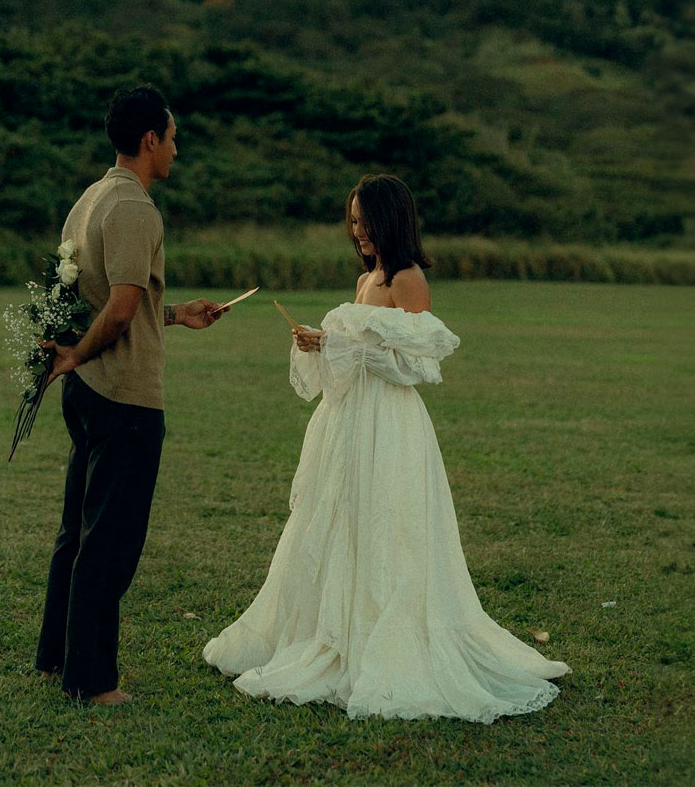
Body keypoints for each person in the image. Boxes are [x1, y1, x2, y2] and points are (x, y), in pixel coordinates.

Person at [204, 173, 570, 722]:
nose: (358, 232)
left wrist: (351, 348)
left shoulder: (406, 279)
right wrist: (321, 344)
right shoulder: (364, 279)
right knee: (343, 520)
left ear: (390, 221)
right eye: (352, 222)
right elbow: (351, 358)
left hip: (392, 423)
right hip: (351, 421)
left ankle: (386, 635)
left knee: (388, 522)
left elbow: (420, 363)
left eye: (365, 221)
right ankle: (334, 629)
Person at [35, 85, 227, 705]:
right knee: (109, 543)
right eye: (172, 138)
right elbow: (116, 313)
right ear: (150, 139)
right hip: (124, 395)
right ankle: (91, 682)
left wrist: (172, 315)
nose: (176, 148)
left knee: (76, 530)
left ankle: (56, 657)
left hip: (88, 394)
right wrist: (77, 354)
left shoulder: (89, 199)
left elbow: (111, 301)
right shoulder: (137, 208)